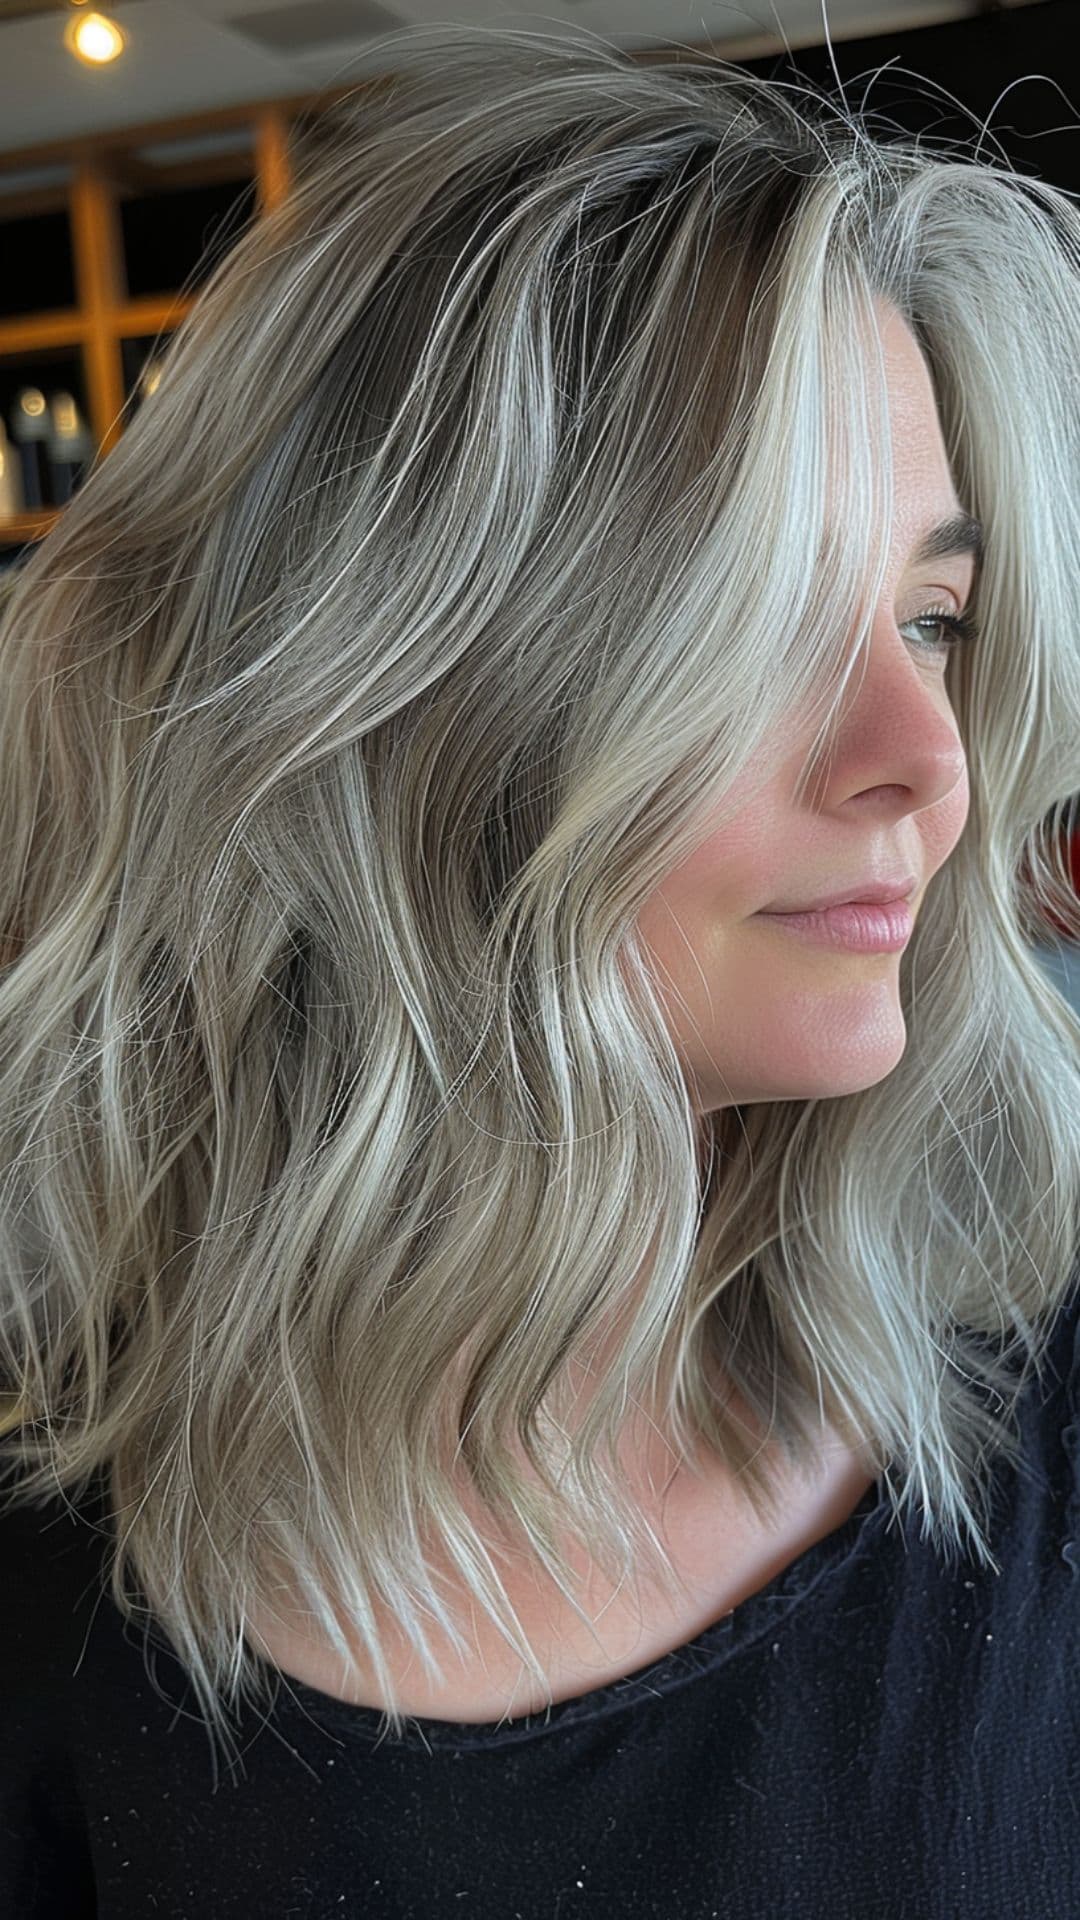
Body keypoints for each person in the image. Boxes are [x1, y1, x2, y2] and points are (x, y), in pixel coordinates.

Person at [1, 22, 1079, 1916]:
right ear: (396, 709)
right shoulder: (57, 1582)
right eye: (752, 628)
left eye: (933, 613)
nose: (928, 750)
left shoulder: (1036, 1400)